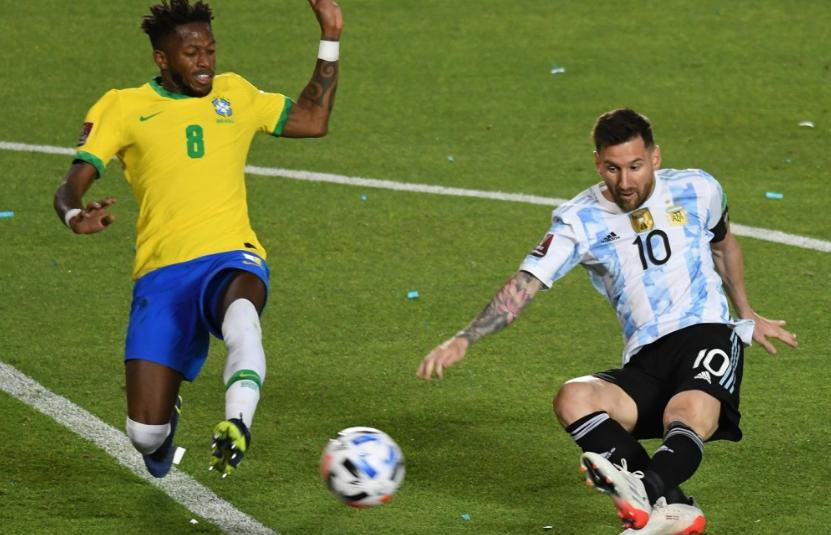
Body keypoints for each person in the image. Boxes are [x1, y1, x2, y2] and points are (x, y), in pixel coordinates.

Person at [417, 108, 797, 533]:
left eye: (635, 166)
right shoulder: (579, 219)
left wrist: (746, 313)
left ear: (655, 157)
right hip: (645, 355)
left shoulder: (698, 188)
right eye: (613, 168)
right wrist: (465, 338)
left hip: (705, 331)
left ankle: (642, 489)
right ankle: (673, 506)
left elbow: (724, 246)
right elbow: (527, 283)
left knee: (685, 412)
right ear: (598, 163)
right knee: (573, 398)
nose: (625, 181)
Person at [53, 0, 343, 479]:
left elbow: (313, 120)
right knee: (144, 435)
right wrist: (73, 215)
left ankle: (238, 421)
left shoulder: (236, 94)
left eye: (210, 49)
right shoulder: (122, 106)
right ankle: (166, 422)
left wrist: (330, 34)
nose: (205, 61)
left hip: (231, 256)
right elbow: (71, 183)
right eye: (191, 53)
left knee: (243, 319)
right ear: (162, 59)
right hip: (161, 274)